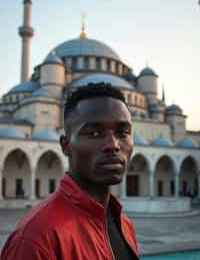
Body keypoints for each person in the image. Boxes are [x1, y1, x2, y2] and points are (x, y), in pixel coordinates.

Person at [0, 83, 139, 260]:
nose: (113, 145)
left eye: (123, 132)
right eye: (94, 133)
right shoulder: (36, 239)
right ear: (66, 145)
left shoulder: (125, 225)